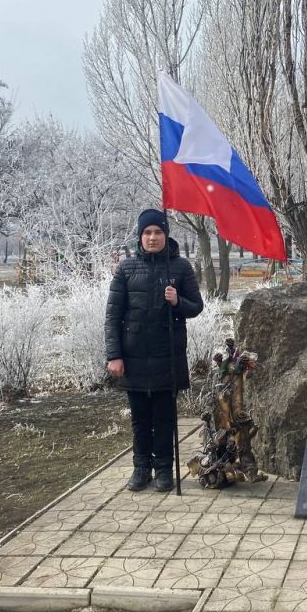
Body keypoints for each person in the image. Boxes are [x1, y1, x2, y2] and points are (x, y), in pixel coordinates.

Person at [105, 209, 204, 492]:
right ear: (140, 236)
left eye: (158, 232)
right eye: (147, 232)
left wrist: (177, 302)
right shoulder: (126, 269)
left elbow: (196, 307)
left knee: (164, 417)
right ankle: (141, 468)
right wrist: (114, 355)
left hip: (167, 356)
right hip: (134, 357)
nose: (152, 237)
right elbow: (113, 315)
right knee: (139, 418)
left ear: (166, 235)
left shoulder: (180, 268)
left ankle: (163, 469)